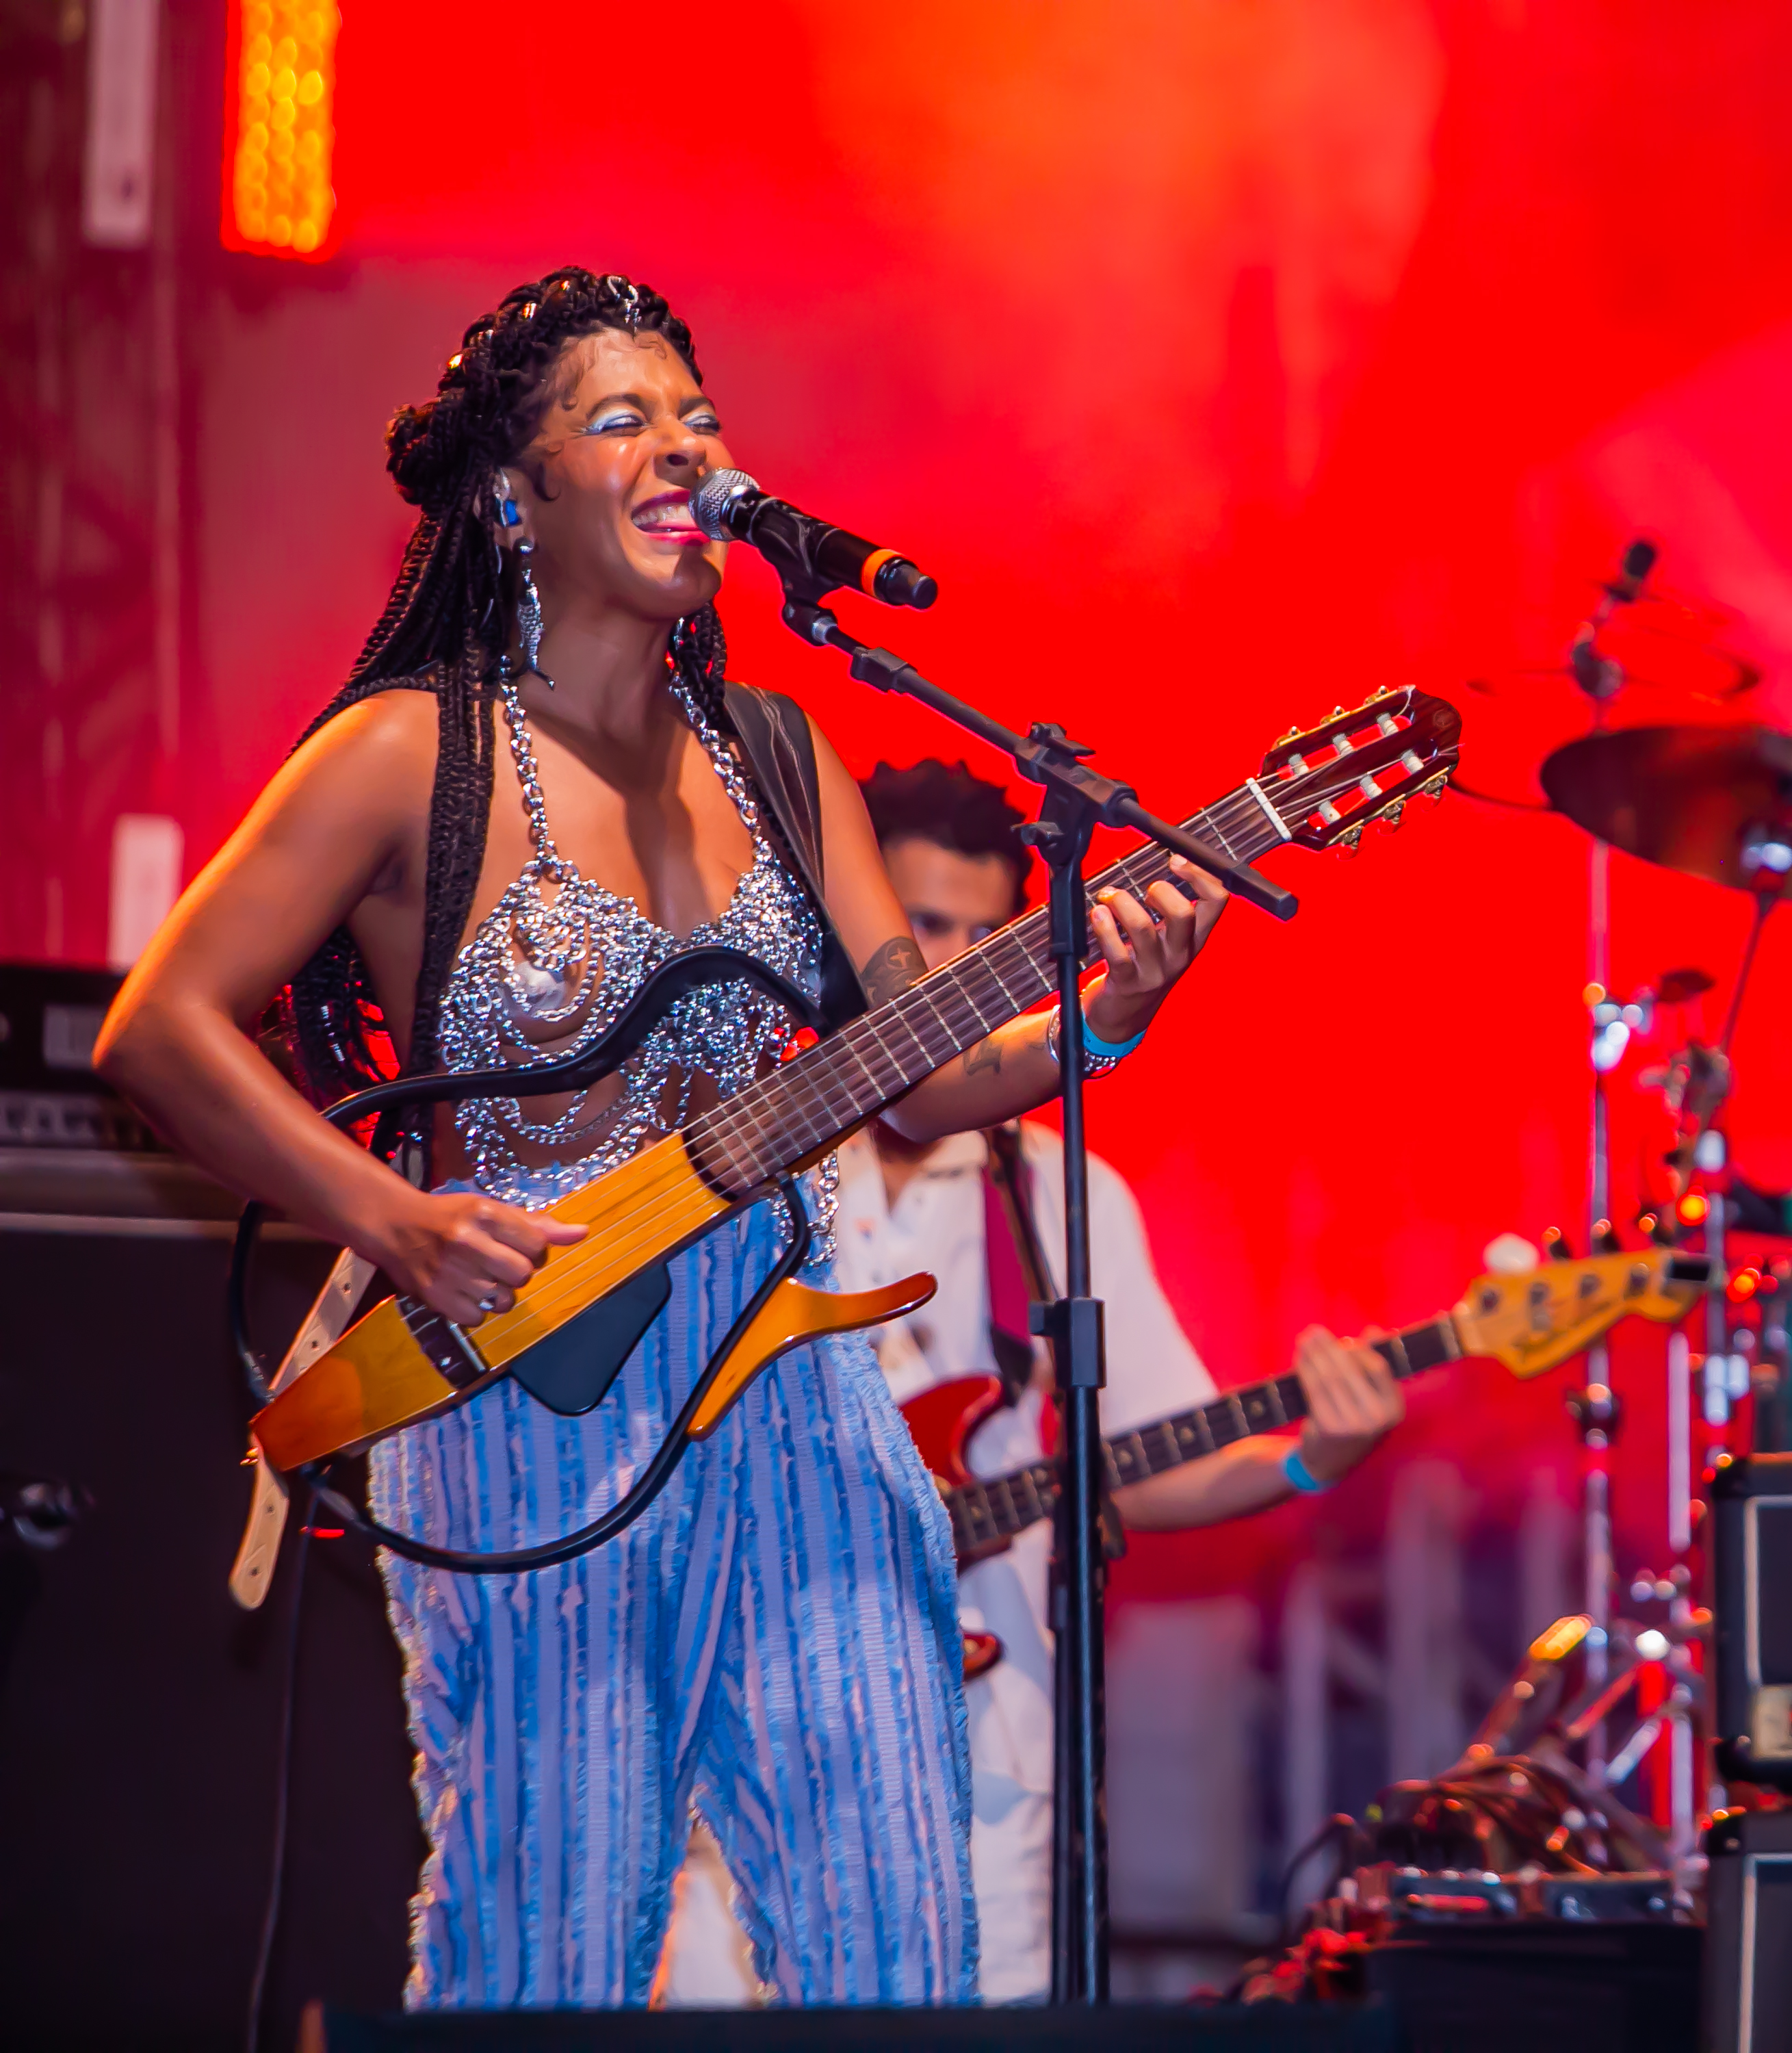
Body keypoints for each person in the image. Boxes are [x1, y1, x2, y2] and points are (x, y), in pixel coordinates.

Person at [95, 268, 1225, 2007]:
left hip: (799, 1377)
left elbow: (907, 1072)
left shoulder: (777, 749)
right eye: (622, 418)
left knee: (897, 1930)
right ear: (510, 493)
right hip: (531, 1378)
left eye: (697, 416)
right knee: (545, 1928)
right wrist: (390, 1218)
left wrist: (1104, 1016)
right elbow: (157, 1027)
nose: (683, 444)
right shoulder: (412, 751)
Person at [659, 761, 1405, 2005]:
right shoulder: (742, 1155)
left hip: (983, 1751)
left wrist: (1306, 1457)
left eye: (976, 933)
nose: (944, 965)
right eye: (914, 929)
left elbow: (1147, 1461)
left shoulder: (1059, 1188)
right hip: (732, 1723)